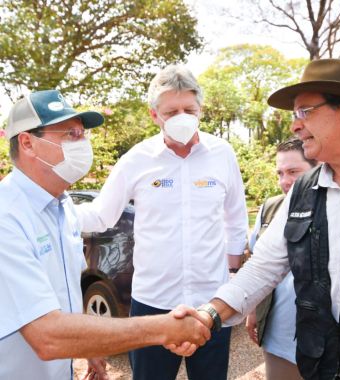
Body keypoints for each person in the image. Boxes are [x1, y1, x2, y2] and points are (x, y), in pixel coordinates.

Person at [171, 59, 340, 380]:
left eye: (305, 111)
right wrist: (208, 315)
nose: (294, 125)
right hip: (320, 367)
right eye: (294, 115)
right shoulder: (304, 190)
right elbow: (264, 267)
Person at [0, 90, 210, 380]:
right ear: (28, 142)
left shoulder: (62, 209)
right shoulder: (7, 217)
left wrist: (89, 343)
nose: (82, 142)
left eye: (83, 134)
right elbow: (46, 335)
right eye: (70, 134)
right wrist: (164, 328)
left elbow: (64, 293)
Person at [75, 65, 248, 380]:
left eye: (189, 109)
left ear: (200, 110)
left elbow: (235, 219)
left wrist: (233, 276)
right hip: (152, 305)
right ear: (154, 115)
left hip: (211, 303)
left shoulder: (222, 154)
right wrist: (53, 208)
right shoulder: (136, 160)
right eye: (172, 111)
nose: (182, 116)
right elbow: (100, 215)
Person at [246, 137, 317, 380]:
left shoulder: (337, 208)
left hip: (325, 338)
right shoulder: (270, 208)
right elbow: (258, 264)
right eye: (280, 173)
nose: (284, 181)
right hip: (279, 337)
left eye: (293, 172)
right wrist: (253, 311)